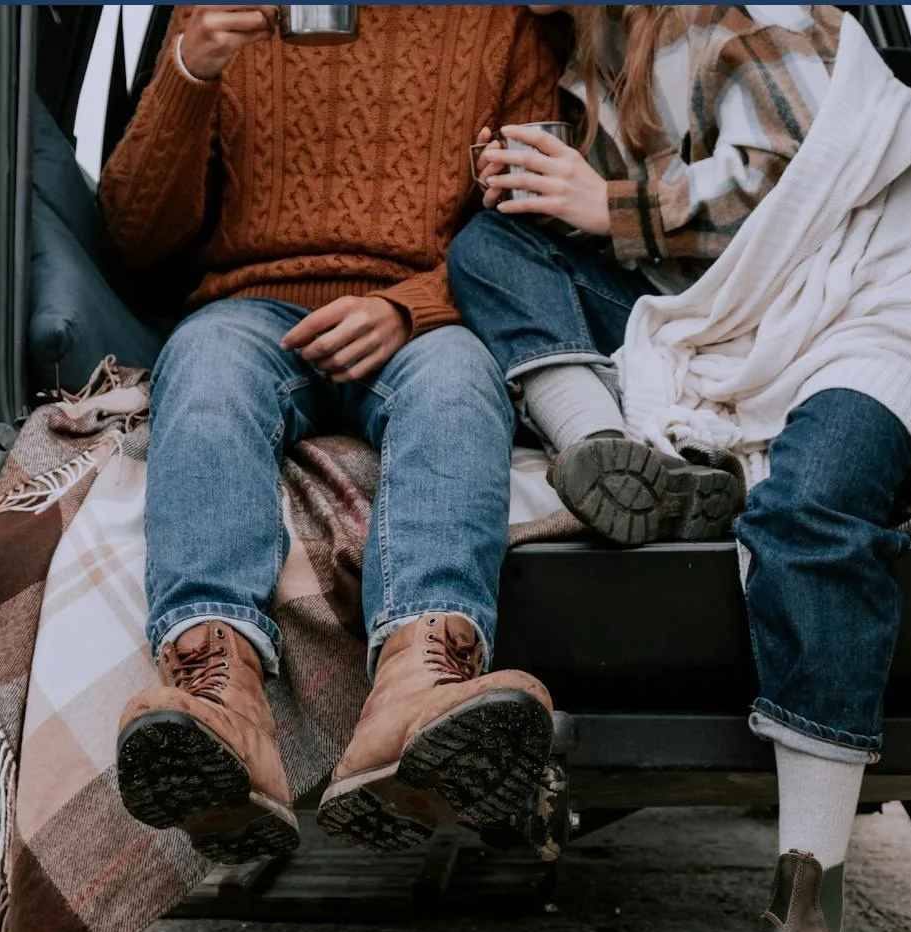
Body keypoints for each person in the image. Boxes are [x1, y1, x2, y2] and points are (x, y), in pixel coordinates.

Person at [447, 5, 911, 932]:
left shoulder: (746, 11)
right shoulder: (588, 55)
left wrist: (607, 204)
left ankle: (806, 909)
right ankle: (606, 451)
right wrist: (543, 186)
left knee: (808, 507)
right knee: (491, 246)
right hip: (741, 315)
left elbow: (798, 180)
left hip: (886, 297)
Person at [99, 5, 564, 864]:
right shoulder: (211, 15)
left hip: (420, 309)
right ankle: (221, 695)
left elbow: (533, 226)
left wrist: (411, 307)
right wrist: (189, 71)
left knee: (462, 384)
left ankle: (420, 688)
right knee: (200, 369)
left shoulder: (504, 25)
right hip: (249, 308)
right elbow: (132, 236)